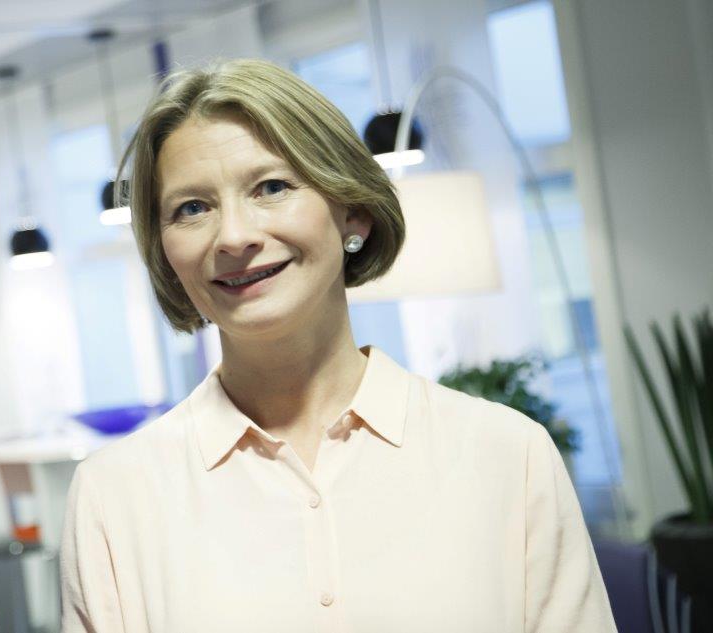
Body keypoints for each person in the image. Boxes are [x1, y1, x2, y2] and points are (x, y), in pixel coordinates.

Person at [58, 59, 615, 633]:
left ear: (354, 212)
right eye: (192, 208)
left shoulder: (509, 455)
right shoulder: (114, 496)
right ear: (165, 251)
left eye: (272, 187)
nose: (234, 237)